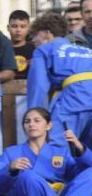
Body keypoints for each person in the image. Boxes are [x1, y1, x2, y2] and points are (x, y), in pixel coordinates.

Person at [0, 107, 92, 196]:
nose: (31, 124)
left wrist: (80, 147)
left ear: (48, 125)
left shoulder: (60, 153)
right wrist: (9, 169)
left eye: (37, 120)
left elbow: (82, 178)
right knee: (27, 176)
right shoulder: (12, 153)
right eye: (27, 121)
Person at [26, 12, 92, 150]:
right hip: (84, 96)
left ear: (47, 33)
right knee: (87, 151)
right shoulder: (85, 50)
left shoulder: (44, 50)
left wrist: (34, 117)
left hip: (74, 101)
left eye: (34, 36)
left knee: (57, 148)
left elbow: (38, 86)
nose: (33, 41)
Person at [8, 10, 34, 80]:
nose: (18, 30)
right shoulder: (3, 49)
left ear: (28, 28)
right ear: (8, 28)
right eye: (14, 26)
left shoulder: (34, 50)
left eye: (23, 26)